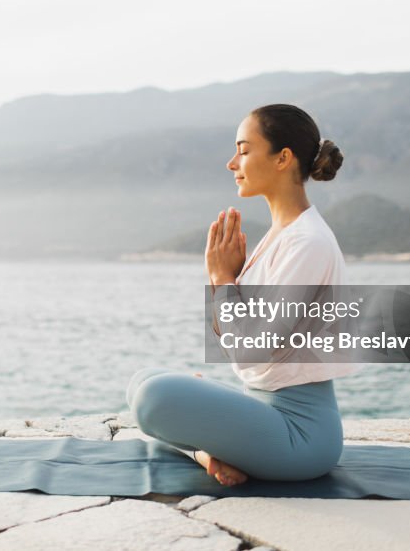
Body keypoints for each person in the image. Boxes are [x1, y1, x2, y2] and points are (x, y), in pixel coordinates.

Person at [125, 103, 358, 486]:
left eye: (244, 150)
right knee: (142, 380)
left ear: (283, 158)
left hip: (300, 436)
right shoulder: (280, 236)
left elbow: (253, 348)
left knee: (155, 398)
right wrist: (225, 279)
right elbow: (228, 336)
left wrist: (221, 277)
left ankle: (203, 450)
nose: (232, 163)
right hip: (260, 405)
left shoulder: (308, 242)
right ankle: (207, 453)